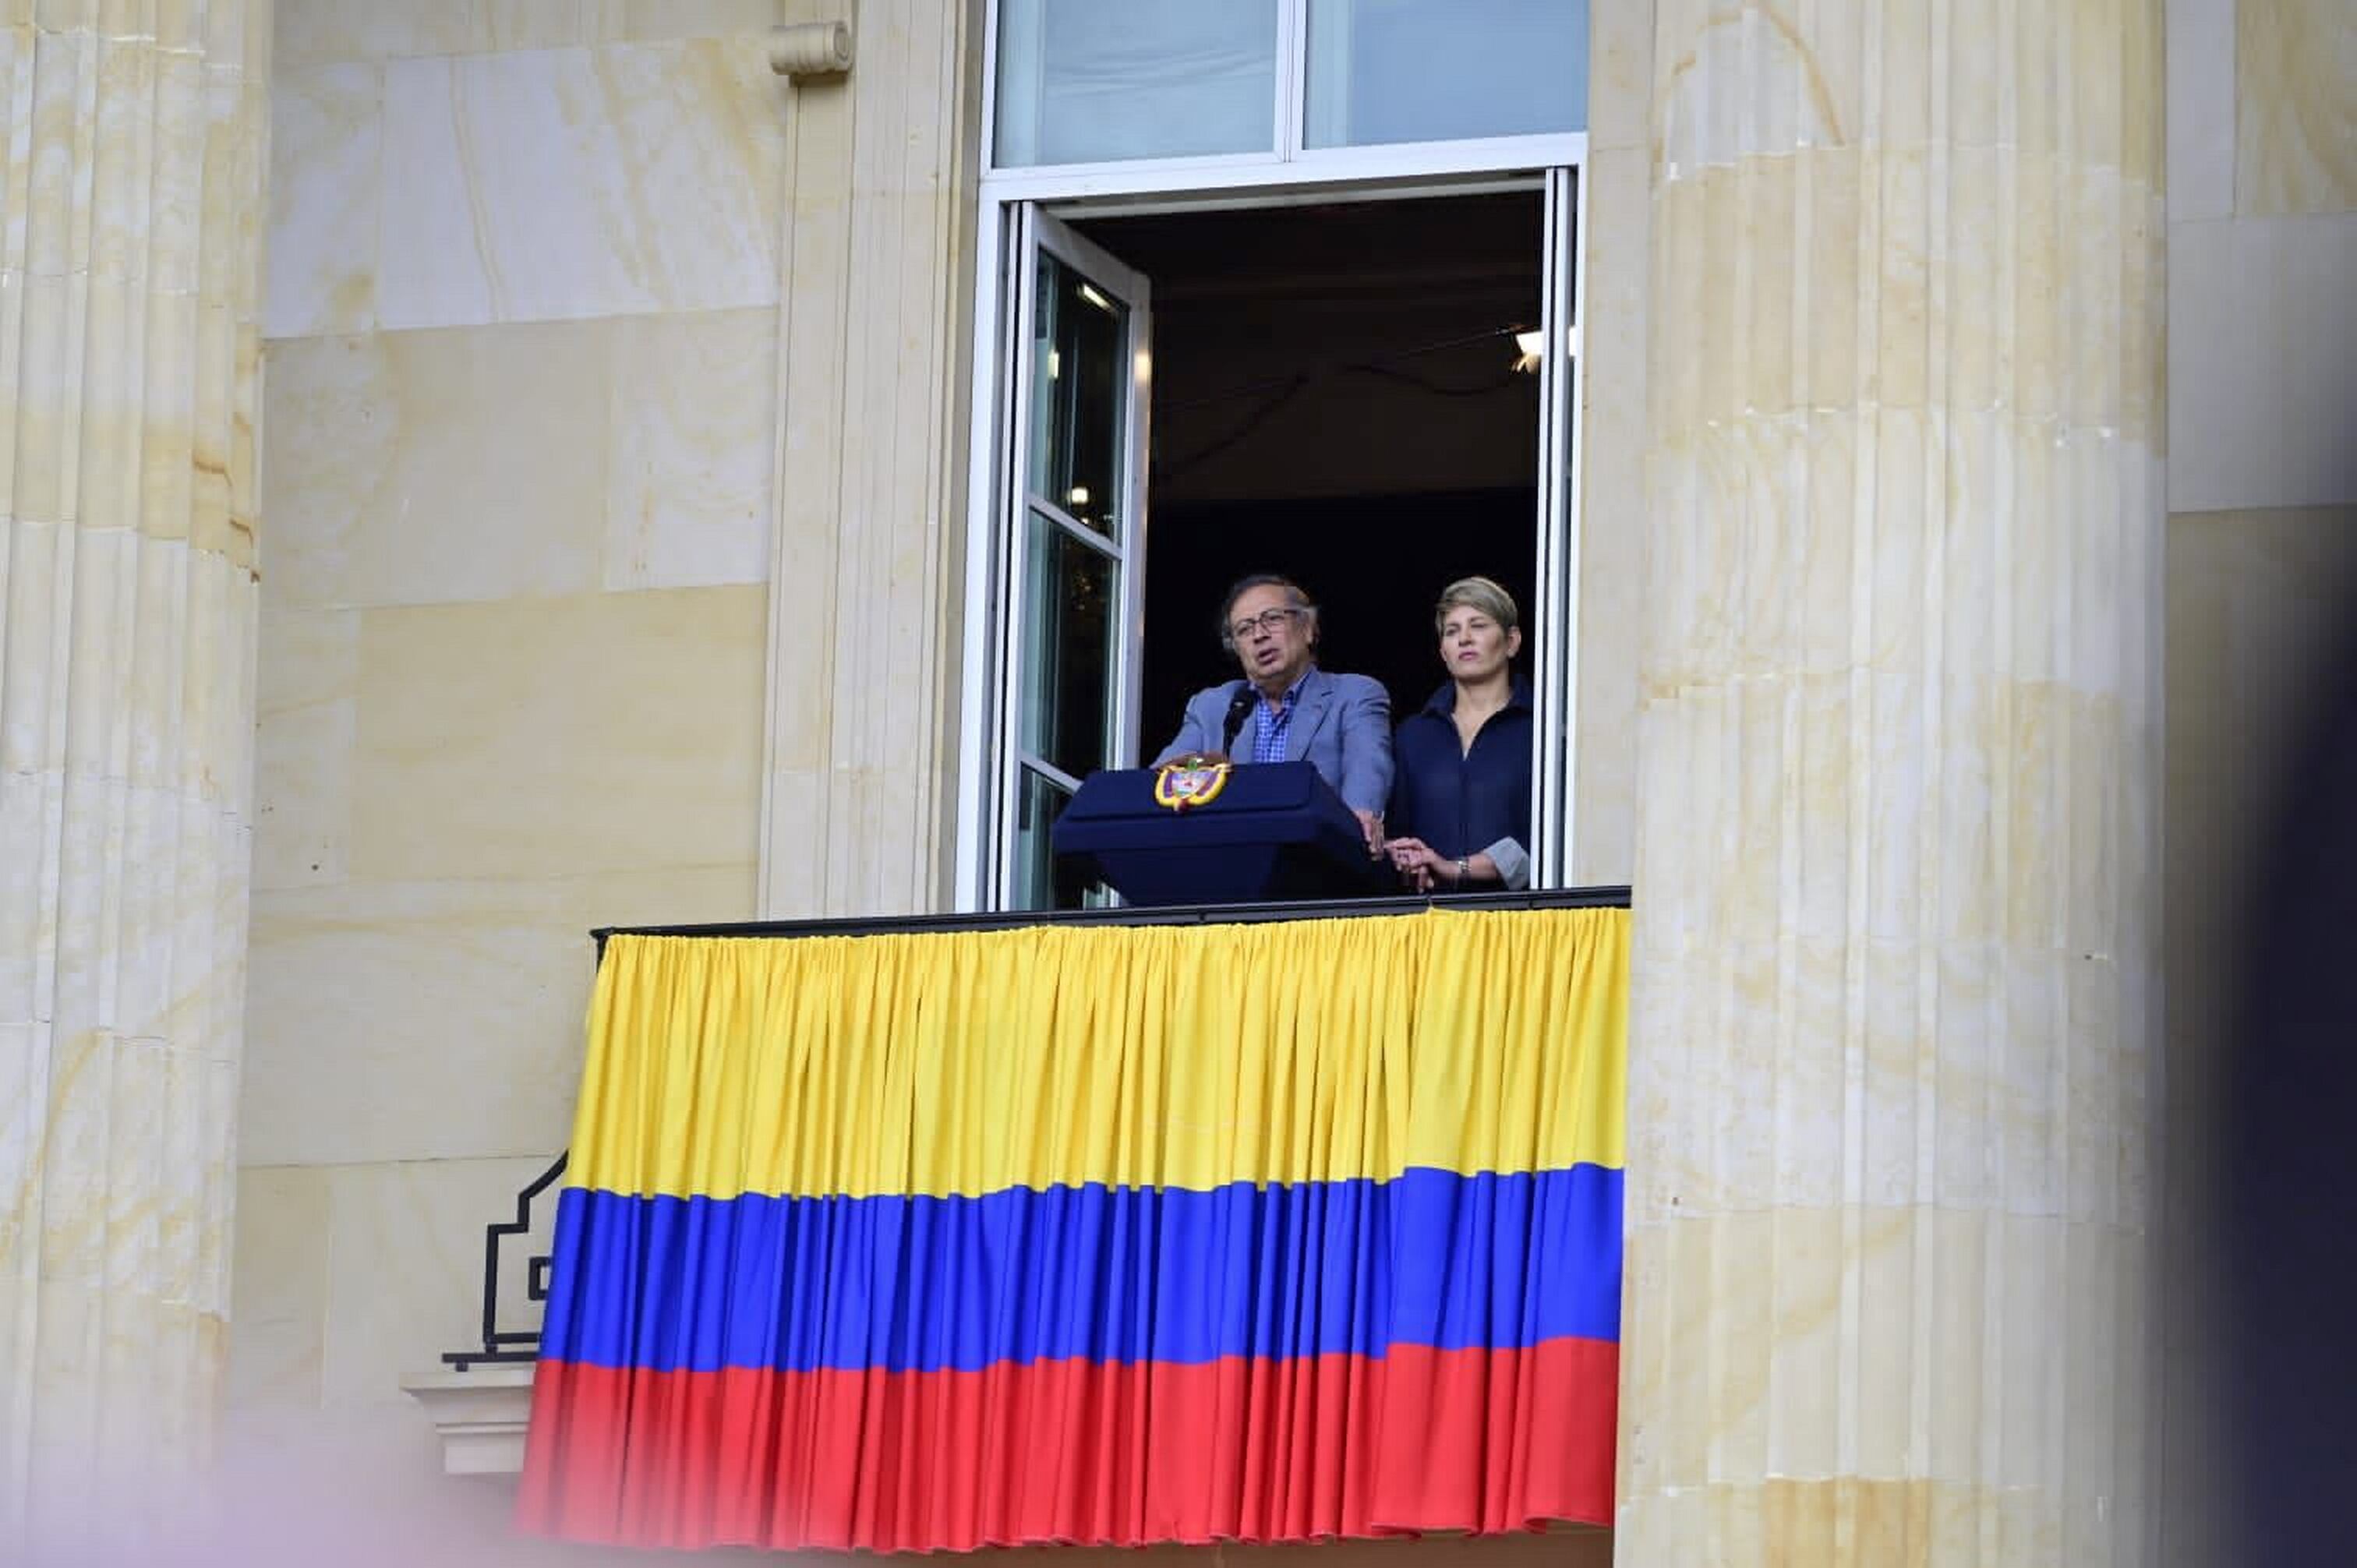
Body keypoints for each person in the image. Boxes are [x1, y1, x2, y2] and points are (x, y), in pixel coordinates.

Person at [1154, 574, 1392, 852]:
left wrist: (1360, 820)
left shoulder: (1353, 695)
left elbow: (1367, 768)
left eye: (1273, 619)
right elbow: (1160, 784)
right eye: (1244, 629)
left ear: (1308, 629)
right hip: (1227, 864)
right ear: (1237, 650)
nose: (1259, 635)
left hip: (1317, 866)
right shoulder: (1212, 706)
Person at [1383, 576, 1532, 892]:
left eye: (1478, 625)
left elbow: (1546, 839)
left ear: (1512, 642)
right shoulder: (1413, 735)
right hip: (1430, 919)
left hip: (1522, 921)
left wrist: (1456, 868)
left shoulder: (1542, 730)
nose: (1464, 638)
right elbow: (1397, 831)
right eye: (1452, 631)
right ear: (1443, 653)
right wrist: (1404, 857)